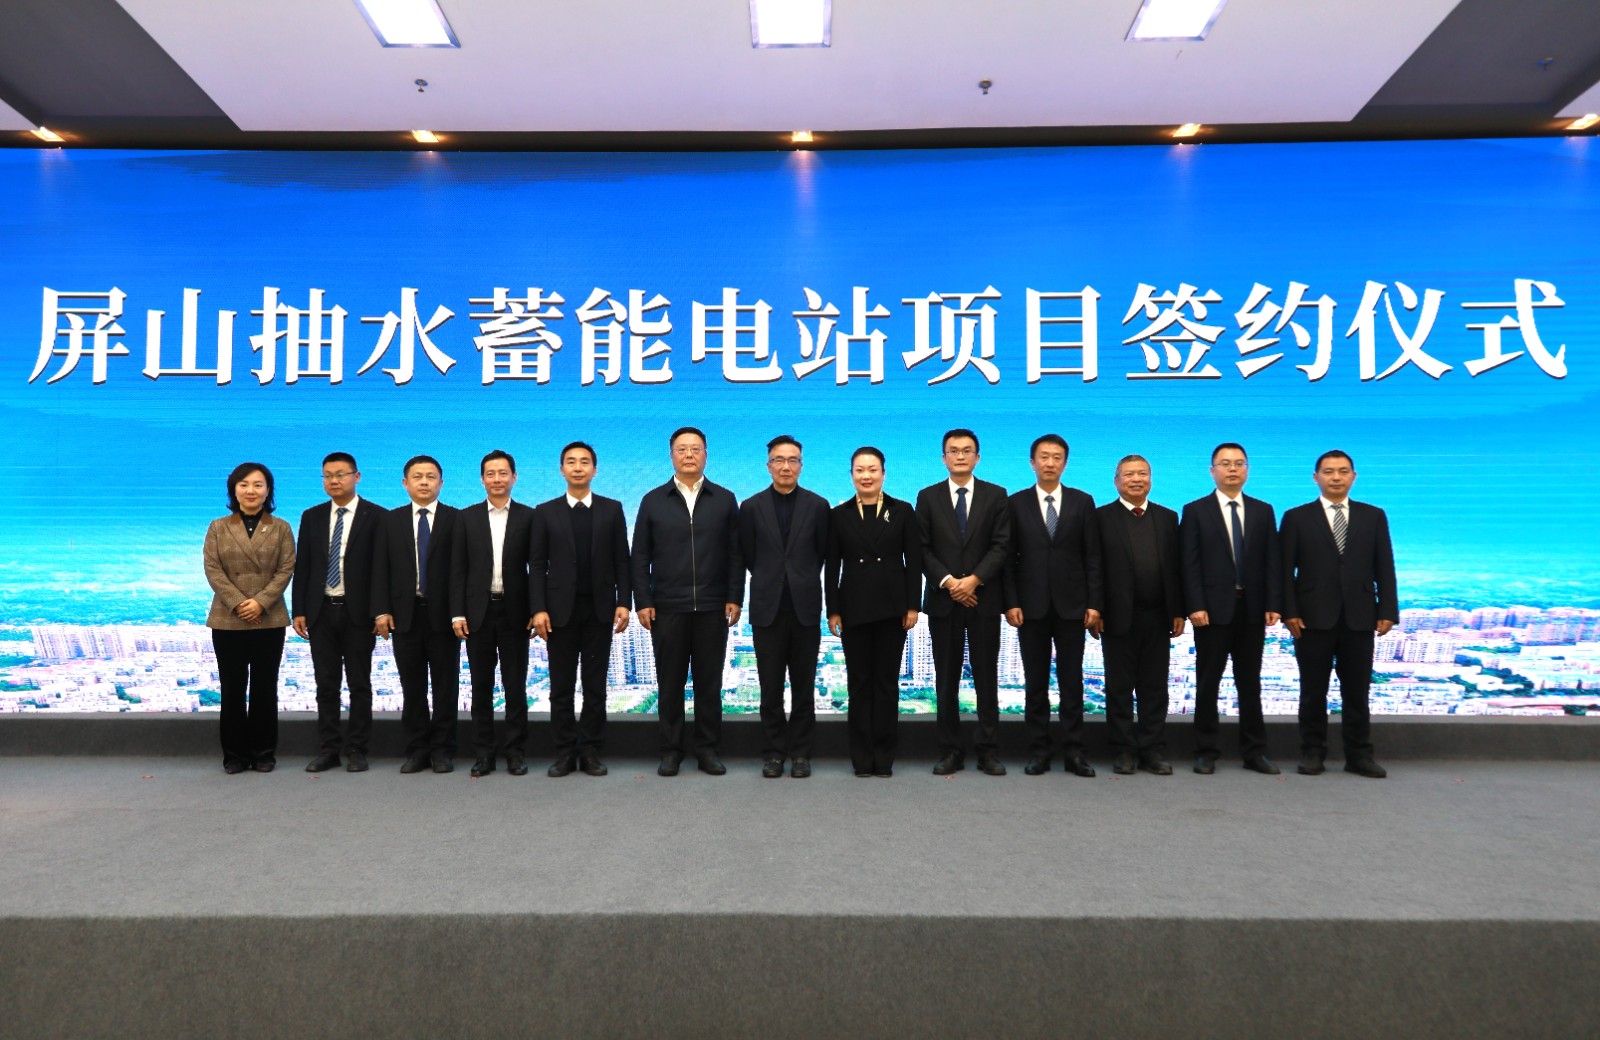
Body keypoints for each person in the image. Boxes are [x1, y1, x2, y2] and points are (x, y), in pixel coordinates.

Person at [631, 427, 744, 777]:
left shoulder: (724, 499)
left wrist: (734, 597)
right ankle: (671, 751)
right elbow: (640, 556)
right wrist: (643, 600)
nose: (689, 455)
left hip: (712, 606)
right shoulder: (653, 500)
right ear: (671, 456)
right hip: (667, 607)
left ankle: (708, 750)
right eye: (682, 449)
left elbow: (735, 554)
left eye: (696, 449)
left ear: (706, 454)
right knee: (670, 685)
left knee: (709, 685)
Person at [1280, 450, 1398, 779]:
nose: (1336, 477)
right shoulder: (1296, 517)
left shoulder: (1373, 516)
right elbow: (1284, 570)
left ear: (1353, 477)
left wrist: (1388, 609)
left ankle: (1359, 756)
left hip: (1360, 617)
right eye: (1329, 471)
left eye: (1343, 471)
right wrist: (1289, 611)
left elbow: (1385, 565)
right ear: (1315, 477)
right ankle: (1312, 753)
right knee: (1312, 691)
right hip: (1311, 619)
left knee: (1357, 692)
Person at [529, 441, 632, 778]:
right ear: (561, 470)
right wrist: (538, 608)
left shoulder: (612, 509)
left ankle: (590, 751)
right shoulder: (545, 512)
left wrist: (624, 602)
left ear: (595, 470)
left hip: (599, 610)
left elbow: (622, 560)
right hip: (559, 613)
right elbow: (537, 565)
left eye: (584, 462)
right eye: (571, 462)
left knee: (595, 686)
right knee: (561, 687)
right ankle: (563, 752)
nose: (578, 467)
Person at [1002, 434, 1102, 777]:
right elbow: (1008, 559)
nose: (1050, 462)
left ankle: (1075, 753)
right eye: (1043, 457)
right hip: (1030, 608)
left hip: (1073, 607)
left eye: (1056, 457)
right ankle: (1039, 751)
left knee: (1072, 683)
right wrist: (1011, 602)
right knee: (1035, 684)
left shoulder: (1082, 501)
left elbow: (1092, 556)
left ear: (1065, 463)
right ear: (1032, 463)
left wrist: (1094, 604)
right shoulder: (1015, 503)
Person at [1180, 442, 1282, 775]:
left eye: (1239, 463)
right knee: (1207, 683)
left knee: (1249, 683)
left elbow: (1272, 561)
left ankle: (1255, 752)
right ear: (1213, 471)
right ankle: (1205, 751)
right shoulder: (1195, 510)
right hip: (1211, 612)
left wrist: (1273, 603)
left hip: (1252, 610)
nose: (1232, 469)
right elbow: (1189, 564)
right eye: (1225, 463)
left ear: (1247, 470)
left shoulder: (1263, 511)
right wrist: (1195, 605)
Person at [915, 428, 1013, 776]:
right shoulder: (927, 497)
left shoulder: (996, 495)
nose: (960, 456)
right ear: (944, 458)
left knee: (987, 677)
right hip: (944, 601)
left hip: (983, 599)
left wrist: (973, 580)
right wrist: (949, 582)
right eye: (953, 451)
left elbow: (1001, 545)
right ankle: (950, 750)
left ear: (977, 457)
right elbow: (922, 548)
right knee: (946, 680)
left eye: (967, 450)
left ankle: (988, 751)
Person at [825, 447, 922, 777]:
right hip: (854, 609)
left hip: (893, 609)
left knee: (886, 684)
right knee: (859, 685)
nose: (866, 476)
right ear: (851, 474)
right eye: (859, 470)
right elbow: (831, 567)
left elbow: (914, 563)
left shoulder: (902, 510)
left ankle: (884, 757)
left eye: (872, 469)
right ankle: (861, 758)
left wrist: (913, 605)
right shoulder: (838, 515)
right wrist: (833, 610)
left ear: (883, 473)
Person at [739, 435, 830, 779]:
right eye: (779, 460)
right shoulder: (751, 507)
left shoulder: (818, 505)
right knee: (770, 688)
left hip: (805, 608)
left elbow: (822, 553)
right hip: (767, 609)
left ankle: (802, 754)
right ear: (768, 466)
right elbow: (748, 555)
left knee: (804, 688)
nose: (786, 466)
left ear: (801, 465)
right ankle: (774, 754)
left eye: (793, 460)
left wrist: (798, 577)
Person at [292, 452, 384, 774]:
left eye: (341, 474)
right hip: (321, 612)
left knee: (360, 684)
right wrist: (299, 609)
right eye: (328, 475)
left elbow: (381, 569)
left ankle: (357, 749)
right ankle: (329, 749)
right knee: (326, 685)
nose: (334, 480)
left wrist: (380, 611)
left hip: (359, 614)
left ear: (356, 477)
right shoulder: (312, 516)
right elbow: (303, 565)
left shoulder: (377, 516)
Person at [203, 462, 295, 774]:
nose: (251, 490)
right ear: (234, 490)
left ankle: (264, 753)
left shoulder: (281, 527)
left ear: (268, 491)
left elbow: (286, 568)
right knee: (232, 689)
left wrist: (260, 603)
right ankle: (234, 756)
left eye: (258, 484)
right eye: (244, 484)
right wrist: (241, 603)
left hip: (269, 618)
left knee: (265, 688)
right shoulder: (218, 527)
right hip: (228, 618)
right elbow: (213, 569)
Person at [373, 455, 462, 774]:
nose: (424, 482)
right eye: (417, 476)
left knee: (445, 687)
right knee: (412, 687)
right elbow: (380, 568)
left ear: (441, 483)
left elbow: (460, 571)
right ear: (405, 483)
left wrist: (459, 613)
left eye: (431, 476)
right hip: (404, 616)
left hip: (444, 618)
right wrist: (381, 610)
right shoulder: (391, 521)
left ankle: (443, 751)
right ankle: (417, 750)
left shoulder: (456, 519)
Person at [1095, 455, 1184, 776]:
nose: (1136, 479)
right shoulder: (1101, 517)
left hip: (1158, 616)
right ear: (1116, 481)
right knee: (1119, 687)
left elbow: (1177, 568)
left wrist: (1178, 610)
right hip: (1117, 616)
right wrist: (1096, 608)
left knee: (1154, 687)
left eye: (1142, 474)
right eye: (1129, 474)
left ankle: (1152, 749)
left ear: (1151, 479)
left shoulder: (1168, 517)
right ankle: (1123, 750)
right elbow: (1094, 566)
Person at [450, 450, 535, 778]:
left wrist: (536, 609)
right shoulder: (466, 518)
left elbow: (537, 568)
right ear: (482, 479)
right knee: (481, 687)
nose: (497, 479)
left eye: (503, 473)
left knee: (515, 687)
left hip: (516, 613)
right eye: (491, 473)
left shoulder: (529, 517)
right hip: (478, 614)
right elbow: (458, 569)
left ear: (514, 477)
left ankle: (515, 753)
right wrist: (457, 613)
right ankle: (483, 754)